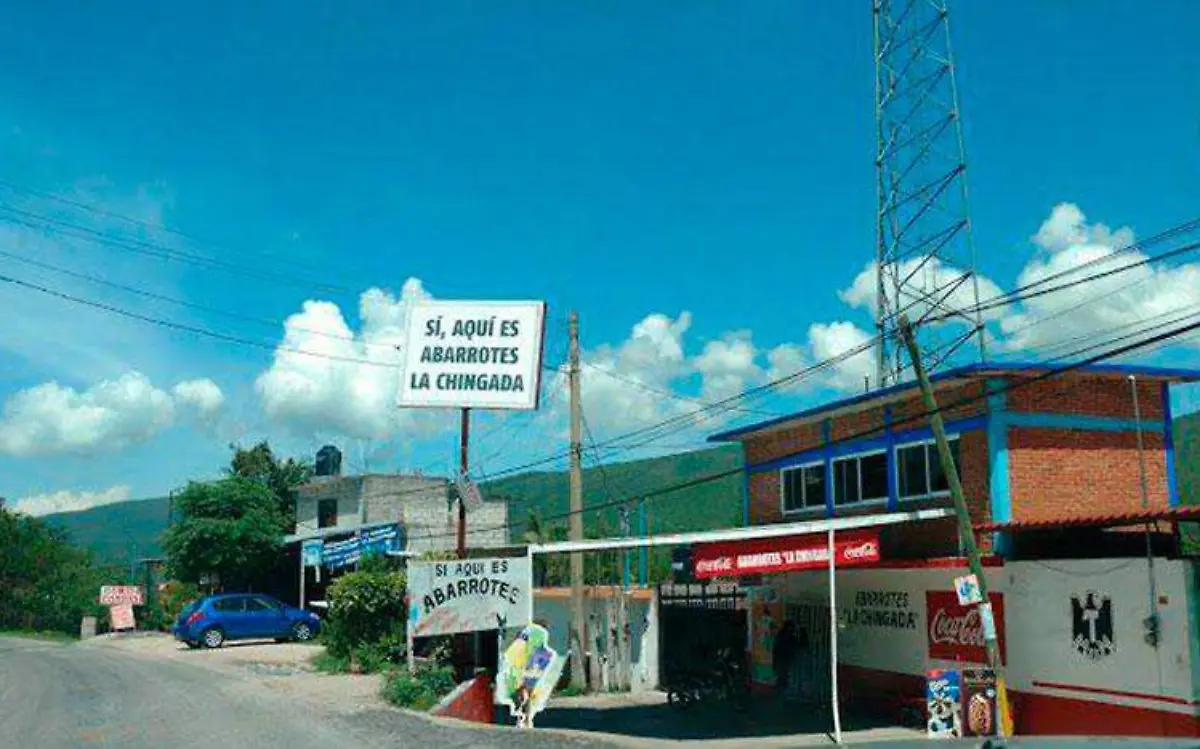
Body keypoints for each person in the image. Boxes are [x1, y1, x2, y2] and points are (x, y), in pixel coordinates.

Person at [772, 620, 798, 697]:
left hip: (782, 659)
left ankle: (781, 692)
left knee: (782, 677)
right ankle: (782, 693)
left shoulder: (781, 635)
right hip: (784, 659)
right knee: (783, 676)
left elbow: (775, 649)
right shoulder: (788, 636)